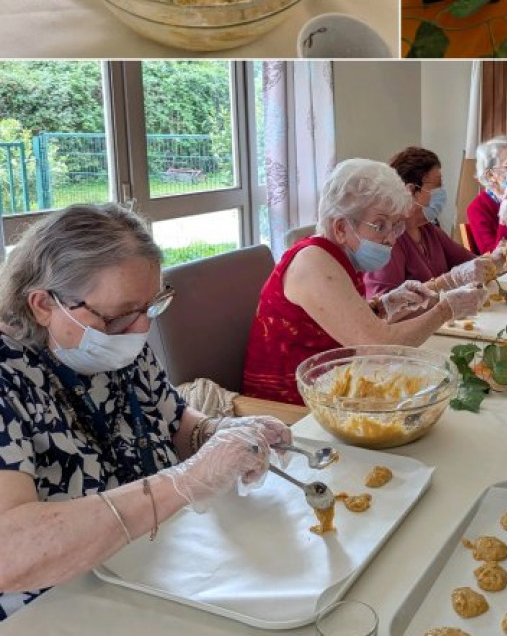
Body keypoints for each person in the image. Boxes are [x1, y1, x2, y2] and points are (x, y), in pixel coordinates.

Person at [0, 203, 292, 622]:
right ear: (44, 305)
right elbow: (11, 552)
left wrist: (224, 434)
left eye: (151, 309)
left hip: (150, 563)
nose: (141, 330)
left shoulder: (111, 343)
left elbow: (176, 423)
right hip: (56, 605)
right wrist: (185, 481)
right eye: (120, 317)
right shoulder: (9, 377)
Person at [242, 159, 487, 404]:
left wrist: (382, 306)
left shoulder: (335, 256)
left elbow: (338, 325)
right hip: (287, 409)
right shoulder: (313, 262)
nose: (391, 239)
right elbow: (379, 349)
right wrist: (446, 310)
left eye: (395, 226)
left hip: (330, 391)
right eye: (380, 226)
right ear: (340, 227)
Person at [362, 146, 507, 299]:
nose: (441, 193)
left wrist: (498, 259)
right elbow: (382, 307)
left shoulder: (428, 230)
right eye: (436, 187)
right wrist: (446, 282)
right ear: (410, 191)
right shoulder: (387, 240)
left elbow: (472, 265)